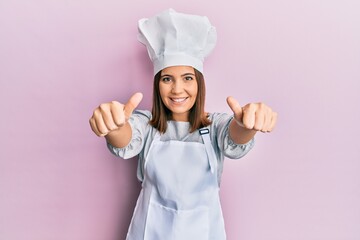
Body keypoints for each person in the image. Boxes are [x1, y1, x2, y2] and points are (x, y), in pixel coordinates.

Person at [89, 8, 277, 240]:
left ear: (199, 83)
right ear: (158, 84)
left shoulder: (215, 126)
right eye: (167, 79)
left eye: (187, 78)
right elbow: (126, 136)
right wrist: (114, 127)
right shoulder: (146, 125)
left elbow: (234, 136)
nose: (177, 89)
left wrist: (248, 126)